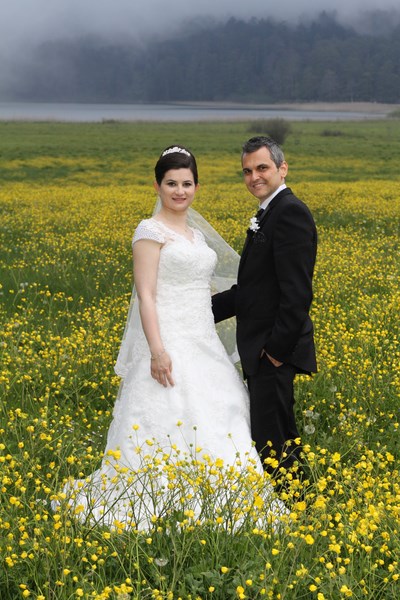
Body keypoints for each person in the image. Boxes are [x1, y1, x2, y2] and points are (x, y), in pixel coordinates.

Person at [54, 145, 285, 528]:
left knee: (221, 407)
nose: (180, 191)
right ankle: (158, 494)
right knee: (169, 410)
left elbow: (201, 286)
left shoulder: (196, 235)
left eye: (187, 183)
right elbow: (146, 295)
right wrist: (157, 351)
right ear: (158, 186)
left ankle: (226, 497)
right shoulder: (149, 231)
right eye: (172, 183)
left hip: (202, 338)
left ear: (197, 186)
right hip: (168, 338)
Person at [212, 136, 317, 493]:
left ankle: (289, 505)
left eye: (262, 168)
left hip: (272, 348)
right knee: (276, 431)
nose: (254, 177)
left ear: (282, 168)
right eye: (247, 171)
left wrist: (274, 351)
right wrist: (196, 309)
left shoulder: (290, 213)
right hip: (263, 347)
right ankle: (297, 501)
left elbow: (297, 293)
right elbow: (254, 290)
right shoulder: (269, 212)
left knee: (272, 437)